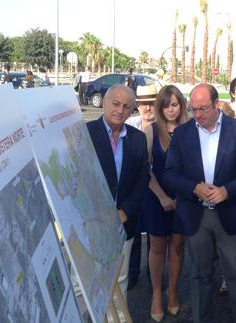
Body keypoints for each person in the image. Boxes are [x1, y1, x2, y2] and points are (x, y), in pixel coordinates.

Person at [163, 83, 236, 323]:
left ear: (217, 104)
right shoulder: (183, 133)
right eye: (194, 109)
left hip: (231, 214)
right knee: (199, 276)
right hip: (196, 216)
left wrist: (227, 191)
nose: (198, 115)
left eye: (203, 109)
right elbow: (170, 174)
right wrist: (194, 187)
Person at [86, 84, 150, 316]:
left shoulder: (138, 139)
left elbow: (143, 179)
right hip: (89, 223)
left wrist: (125, 211)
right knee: (81, 283)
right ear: (104, 102)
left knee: (118, 283)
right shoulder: (84, 132)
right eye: (115, 103)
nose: (120, 110)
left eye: (126, 106)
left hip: (123, 223)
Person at [143, 85, 189, 322]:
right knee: (157, 247)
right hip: (157, 199)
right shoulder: (151, 131)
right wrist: (161, 196)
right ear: (159, 107)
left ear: (181, 104)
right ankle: (156, 294)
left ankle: (172, 292)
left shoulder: (191, 130)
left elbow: (195, 168)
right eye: (166, 105)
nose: (171, 109)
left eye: (175, 104)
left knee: (178, 246)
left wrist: (183, 196)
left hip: (183, 200)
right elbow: (146, 169)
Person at [124, 84, 158, 292]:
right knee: (134, 231)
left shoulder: (164, 125)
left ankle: (153, 276)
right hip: (135, 186)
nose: (147, 107)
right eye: (143, 103)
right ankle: (132, 273)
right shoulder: (130, 124)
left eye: (151, 103)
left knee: (154, 236)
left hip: (157, 188)